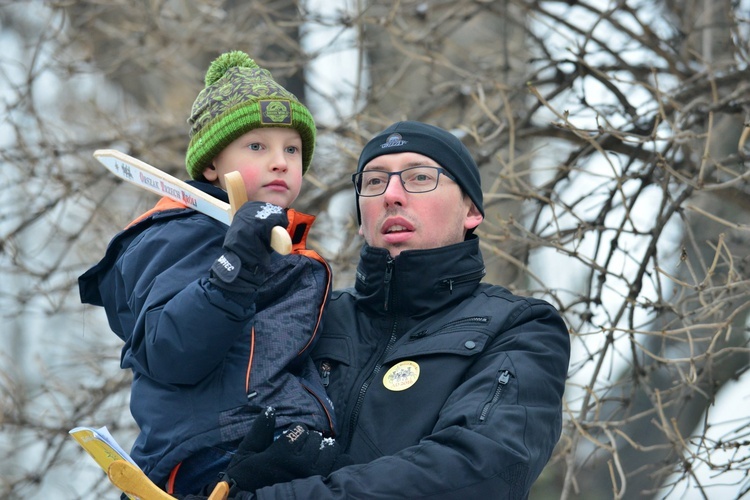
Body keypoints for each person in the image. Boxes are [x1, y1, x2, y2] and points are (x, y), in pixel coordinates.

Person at [188, 120, 571, 499]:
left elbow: (476, 471)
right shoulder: (308, 316)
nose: (391, 195)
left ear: (471, 210)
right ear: (360, 221)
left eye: (420, 177)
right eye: (374, 182)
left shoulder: (522, 327)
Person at [78, 50, 338, 496]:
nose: (280, 161)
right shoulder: (178, 232)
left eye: (291, 149)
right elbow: (169, 350)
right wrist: (233, 269)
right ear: (213, 164)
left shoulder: (290, 251)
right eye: (257, 146)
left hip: (280, 445)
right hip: (209, 451)